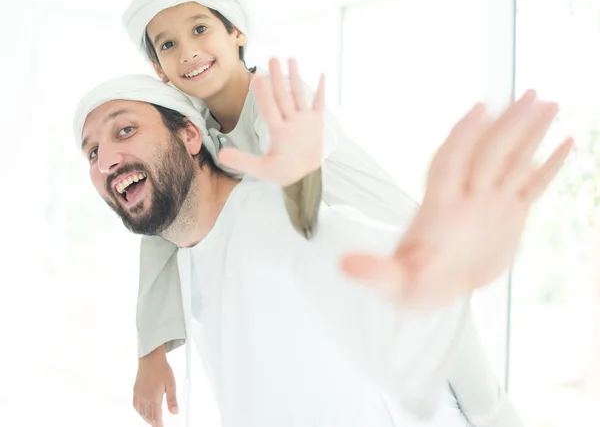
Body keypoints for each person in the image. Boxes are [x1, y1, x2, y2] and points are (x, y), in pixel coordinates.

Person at [121, 0, 529, 426]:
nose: (188, 50)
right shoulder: (194, 133)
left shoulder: (279, 93)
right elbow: (161, 225)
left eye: (200, 29)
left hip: (402, 246)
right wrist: (150, 352)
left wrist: (291, 163)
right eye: (168, 44)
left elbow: (299, 159)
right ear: (158, 67)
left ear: (236, 31)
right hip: (339, 275)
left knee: (482, 400)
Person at [74, 71, 571, 426]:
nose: (106, 159)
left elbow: (371, 277)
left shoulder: (277, 212)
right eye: (92, 152)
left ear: (188, 135)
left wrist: (428, 280)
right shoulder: (185, 255)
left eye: (125, 130)